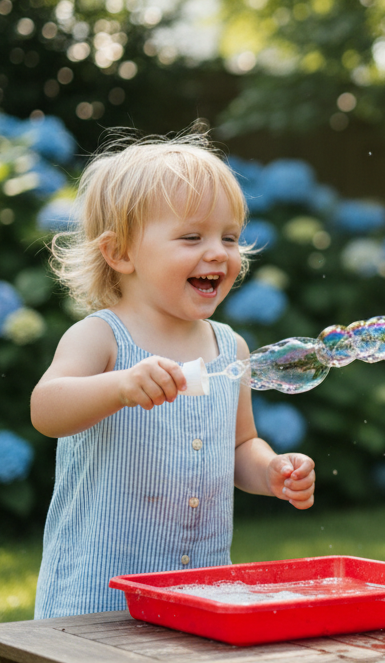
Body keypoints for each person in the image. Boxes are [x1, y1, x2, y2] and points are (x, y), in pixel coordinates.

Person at [30, 132, 316, 619]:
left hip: (199, 590)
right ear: (120, 254)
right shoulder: (101, 337)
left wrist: (270, 471)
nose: (218, 253)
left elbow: (240, 445)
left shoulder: (229, 347)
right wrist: (118, 386)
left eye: (229, 237)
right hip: (98, 595)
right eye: (192, 237)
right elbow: (46, 409)